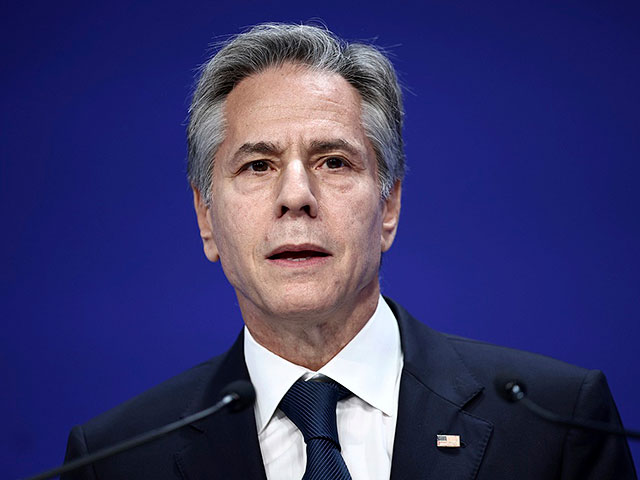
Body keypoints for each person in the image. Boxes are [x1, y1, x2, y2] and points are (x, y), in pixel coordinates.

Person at [62, 23, 637, 479]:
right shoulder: (117, 459)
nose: (296, 196)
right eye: (257, 165)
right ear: (206, 217)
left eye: (333, 162)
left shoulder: (554, 424)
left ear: (388, 206)